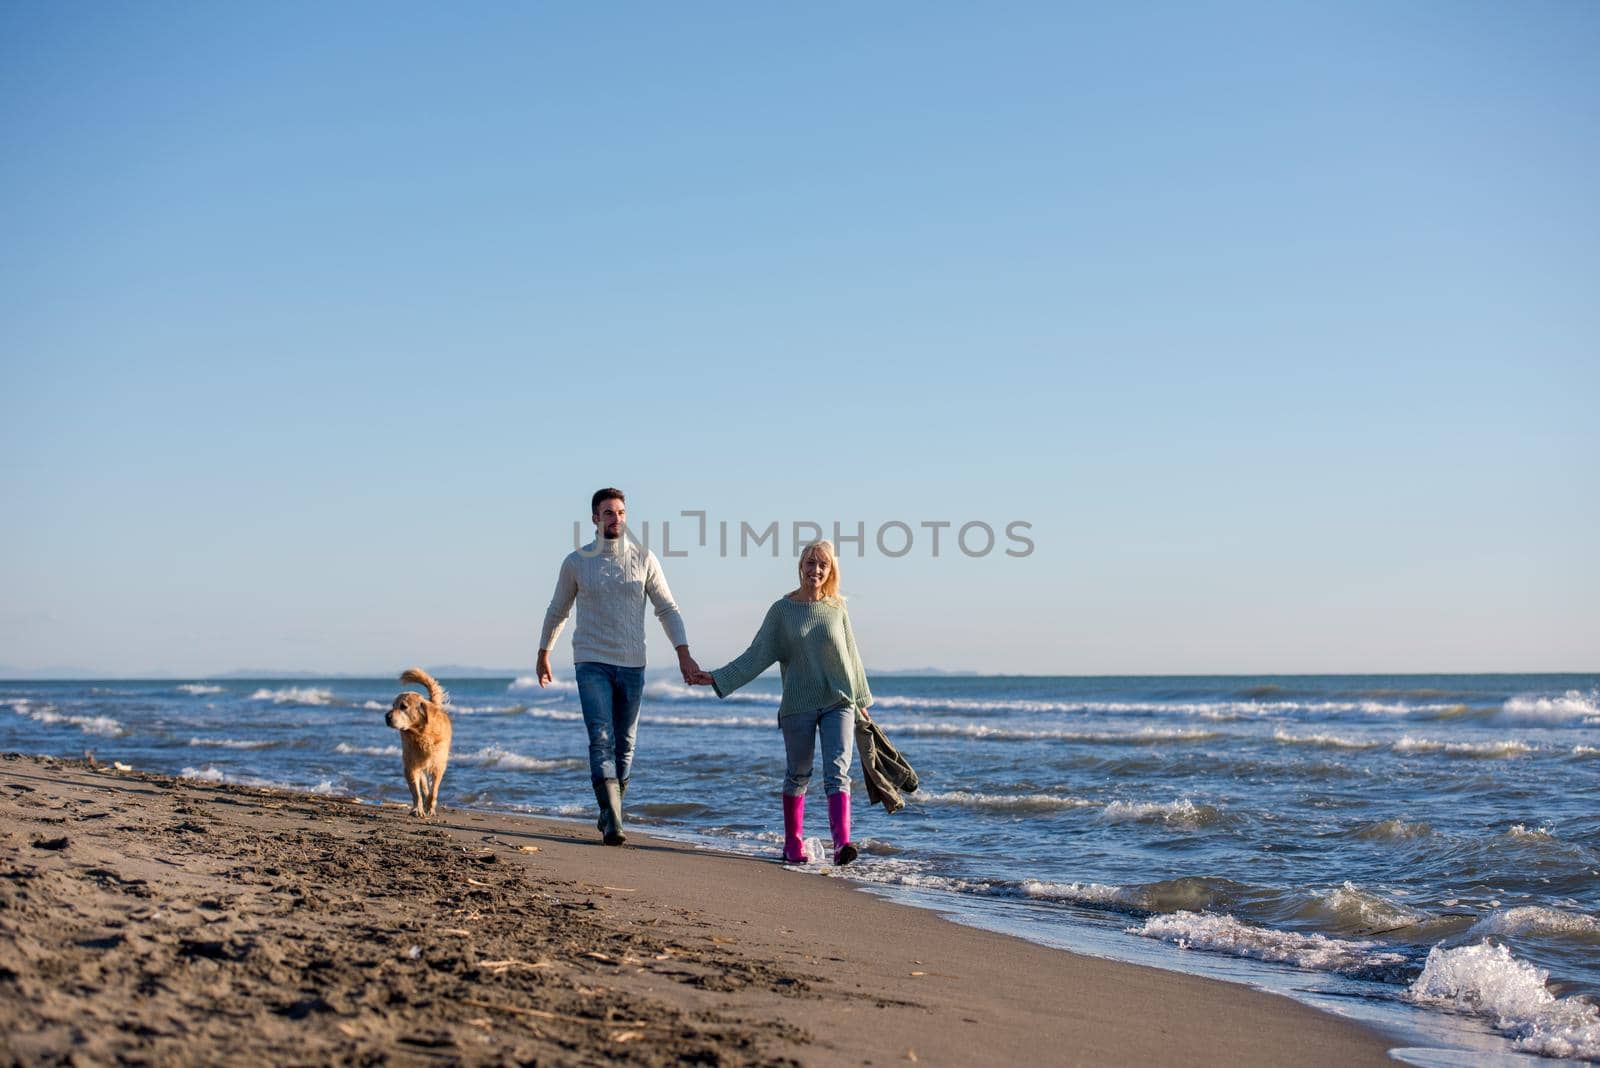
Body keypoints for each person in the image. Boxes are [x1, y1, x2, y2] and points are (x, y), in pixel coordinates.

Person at [689, 539, 872, 866]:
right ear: (800, 567)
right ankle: (792, 844)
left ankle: (842, 845)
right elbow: (757, 655)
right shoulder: (782, 611)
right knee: (798, 773)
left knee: (837, 772)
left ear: (831, 571)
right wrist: (718, 677)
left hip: (839, 700)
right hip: (799, 703)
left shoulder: (837, 608)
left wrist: (861, 701)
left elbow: (852, 657)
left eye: (822, 565)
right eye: (810, 563)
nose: (815, 570)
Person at [538, 487, 702, 845]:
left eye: (621, 513)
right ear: (595, 518)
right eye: (609, 513)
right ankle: (613, 820)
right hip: (591, 661)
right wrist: (543, 651)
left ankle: (610, 808)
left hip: (632, 663)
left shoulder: (644, 558)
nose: (616, 519)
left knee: (625, 743)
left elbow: (668, 609)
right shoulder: (577, 562)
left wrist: (683, 653)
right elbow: (558, 610)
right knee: (601, 737)